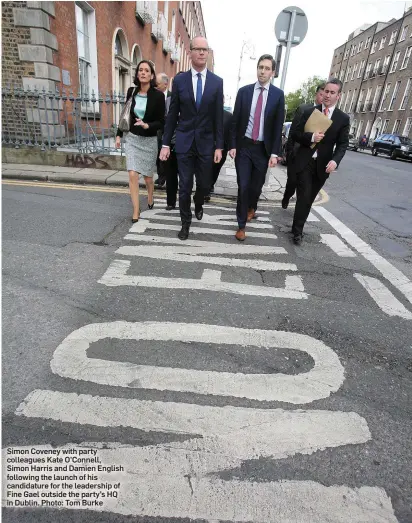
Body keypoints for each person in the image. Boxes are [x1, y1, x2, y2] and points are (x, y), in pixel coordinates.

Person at [159, 36, 224, 240]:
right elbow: (172, 115)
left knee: (204, 184)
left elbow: (218, 118)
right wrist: (165, 144)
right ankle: (185, 223)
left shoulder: (216, 82)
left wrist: (219, 146)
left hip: (206, 143)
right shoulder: (179, 80)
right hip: (185, 142)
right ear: (191, 52)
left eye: (205, 49)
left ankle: (199, 202)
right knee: (184, 185)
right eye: (198, 49)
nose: (202, 52)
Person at [229, 54, 285, 241]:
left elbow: (278, 126)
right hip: (244, 146)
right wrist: (233, 145)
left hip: (263, 149)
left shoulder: (278, 95)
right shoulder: (244, 92)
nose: (263, 71)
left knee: (256, 187)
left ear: (273, 72)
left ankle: (252, 206)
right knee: (243, 186)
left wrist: (274, 153)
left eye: (267, 68)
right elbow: (235, 120)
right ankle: (241, 225)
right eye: (260, 67)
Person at [290, 78, 349, 245]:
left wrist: (335, 161)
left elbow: (343, 144)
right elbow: (295, 133)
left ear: (338, 95)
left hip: (322, 166)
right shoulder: (310, 111)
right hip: (305, 162)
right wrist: (311, 137)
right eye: (326, 92)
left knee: (309, 199)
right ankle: (297, 231)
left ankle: (298, 225)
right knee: (304, 196)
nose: (327, 95)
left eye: (332, 93)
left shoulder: (342, 119)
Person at [116, 60, 165, 222]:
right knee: (132, 174)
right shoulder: (132, 91)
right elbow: (125, 114)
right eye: (140, 70)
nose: (143, 73)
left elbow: (161, 121)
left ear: (151, 75)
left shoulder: (158, 96)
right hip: (132, 138)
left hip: (149, 140)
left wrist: (147, 125)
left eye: (147, 70)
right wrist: (118, 134)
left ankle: (150, 195)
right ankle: (136, 210)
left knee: (148, 177)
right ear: (137, 74)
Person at [282, 83, 325, 209]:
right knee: (292, 182)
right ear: (316, 94)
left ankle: (299, 209)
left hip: (311, 156)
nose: (323, 97)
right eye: (321, 94)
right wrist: (289, 151)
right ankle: (287, 196)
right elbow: (293, 131)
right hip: (296, 152)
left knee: (304, 186)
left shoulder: (326, 114)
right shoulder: (303, 108)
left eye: (325, 94)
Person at [205, 103, 233, 201]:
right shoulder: (206, 113)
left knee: (215, 169)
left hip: (222, 148)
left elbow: (231, 133)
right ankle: (206, 191)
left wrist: (231, 147)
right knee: (206, 169)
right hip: (207, 146)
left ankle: (210, 185)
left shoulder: (229, 116)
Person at [155, 73, 171, 187]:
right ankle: (161, 177)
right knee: (157, 155)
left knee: (167, 156)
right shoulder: (154, 95)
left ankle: (167, 176)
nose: (156, 86)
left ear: (165, 84)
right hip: (157, 130)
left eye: (158, 84)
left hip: (169, 131)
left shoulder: (173, 96)